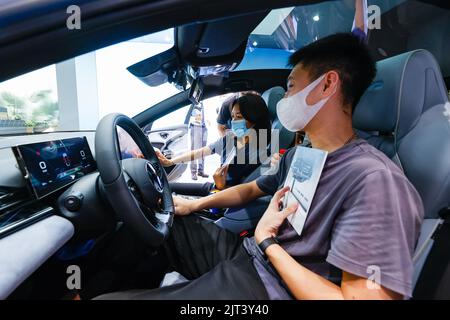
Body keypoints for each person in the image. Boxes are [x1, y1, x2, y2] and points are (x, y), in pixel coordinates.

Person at [96, 33, 423, 300]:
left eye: (292, 85)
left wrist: (268, 241)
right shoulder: (301, 156)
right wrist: (194, 205)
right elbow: (252, 189)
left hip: (270, 286)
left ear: (327, 84)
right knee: (159, 228)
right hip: (251, 255)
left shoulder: (374, 179)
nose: (285, 98)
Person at [157, 93, 272, 193]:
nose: (233, 122)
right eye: (232, 116)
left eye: (239, 116)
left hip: (225, 196)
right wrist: (170, 162)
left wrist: (222, 187)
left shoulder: (260, 154)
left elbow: (250, 193)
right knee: (166, 187)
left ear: (255, 118)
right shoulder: (230, 138)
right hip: (215, 188)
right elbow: (200, 152)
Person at [188, 103, 209, 180]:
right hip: (196, 126)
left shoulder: (204, 99)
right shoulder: (196, 95)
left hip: (204, 127)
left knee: (203, 151)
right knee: (194, 151)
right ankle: (193, 172)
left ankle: (201, 171)